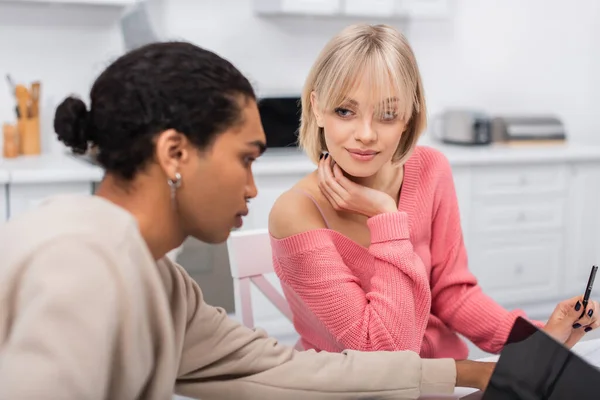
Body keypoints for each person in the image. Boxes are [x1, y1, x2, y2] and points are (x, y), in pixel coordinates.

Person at [0, 40, 508, 400]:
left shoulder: (162, 283)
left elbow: (281, 371)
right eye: (246, 158)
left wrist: (471, 374)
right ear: (175, 153)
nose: (253, 187)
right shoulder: (80, 266)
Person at [268, 23, 600, 359]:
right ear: (316, 108)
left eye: (387, 114)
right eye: (345, 111)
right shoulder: (296, 213)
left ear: (408, 118)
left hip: (449, 378)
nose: (365, 134)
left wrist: (541, 338)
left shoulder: (429, 169)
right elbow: (384, 355)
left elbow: (454, 295)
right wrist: (387, 218)